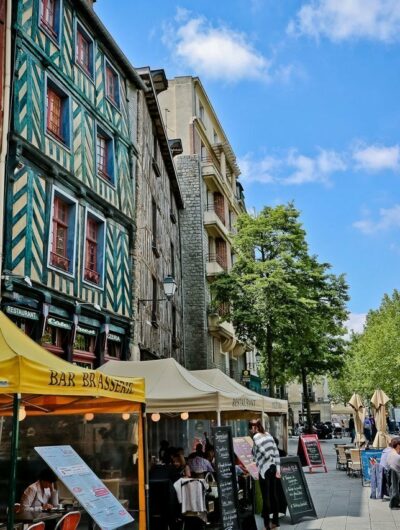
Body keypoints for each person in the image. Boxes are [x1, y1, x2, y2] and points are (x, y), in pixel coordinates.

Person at [250, 419, 281, 529]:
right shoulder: (268, 435)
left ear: (254, 428)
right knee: (274, 495)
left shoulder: (256, 437)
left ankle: (266, 525)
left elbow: (260, 449)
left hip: (264, 469)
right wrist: (277, 468)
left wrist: (267, 456)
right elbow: (276, 451)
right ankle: (276, 522)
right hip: (273, 467)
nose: (251, 430)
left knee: (266, 497)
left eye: (251, 428)